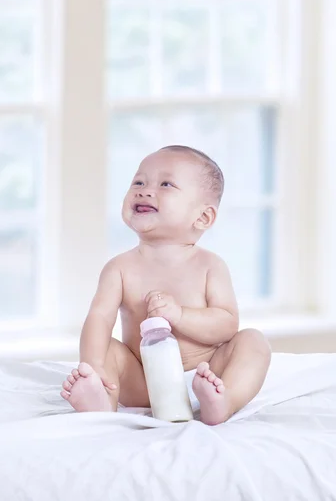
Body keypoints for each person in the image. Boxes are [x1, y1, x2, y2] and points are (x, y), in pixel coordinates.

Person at [61, 145, 271, 425]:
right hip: (144, 382)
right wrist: (95, 366)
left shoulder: (211, 265)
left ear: (202, 217)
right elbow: (98, 319)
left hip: (204, 374)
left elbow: (226, 324)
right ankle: (102, 399)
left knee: (253, 341)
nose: (145, 190)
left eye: (166, 184)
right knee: (107, 347)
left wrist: (179, 315)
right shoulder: (119, 268)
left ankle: (225, 400)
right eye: (138, 182)